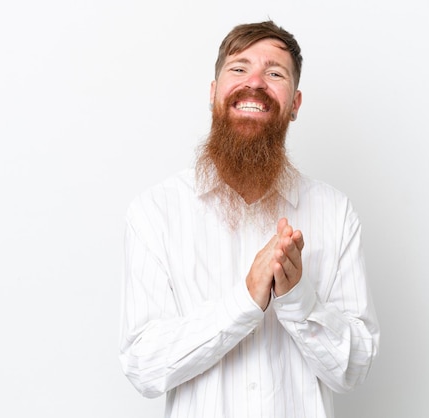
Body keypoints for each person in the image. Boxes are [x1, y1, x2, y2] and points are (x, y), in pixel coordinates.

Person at [119, 20, 380, 418]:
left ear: (294, 103)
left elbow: (353, 368)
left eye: (275, 73)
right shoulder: (155, 213)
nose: (255, 82)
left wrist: (297, 298)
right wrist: (244, 299)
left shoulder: (335, 212)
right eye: (239, 68)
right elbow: (143, 366)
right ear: (213, 93)